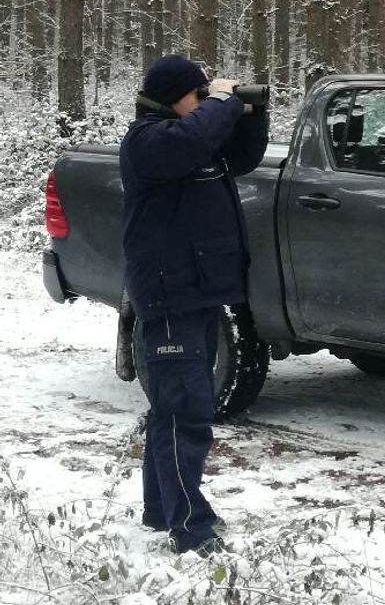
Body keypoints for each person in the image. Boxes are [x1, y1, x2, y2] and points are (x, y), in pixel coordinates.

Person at [120, 55, 269, 555]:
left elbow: (243, 158)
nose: (205, 102)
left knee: (172, 409)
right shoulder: (149, 142)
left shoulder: (191, 137)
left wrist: (250, 112)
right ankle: (191, 528)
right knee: (188, 414)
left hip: (198, 291)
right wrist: (222, 102)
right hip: (169, 296)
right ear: (172, 96)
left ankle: (161, 511)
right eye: (198, 95)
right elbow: (193, 140)